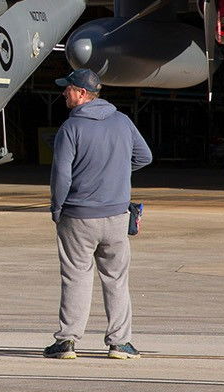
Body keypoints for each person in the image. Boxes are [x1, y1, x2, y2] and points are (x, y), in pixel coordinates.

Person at [44, 68, 152, 360]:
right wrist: (114, 174)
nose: (63, 93)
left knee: (76, 277)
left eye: (67, 89)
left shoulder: (71, 128)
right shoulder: (122, 121)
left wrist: (57, 208)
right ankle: (120, 343)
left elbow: (62, 175)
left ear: (81, 93)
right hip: (116, 216)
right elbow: (145, 156)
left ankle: (67, 341)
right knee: (116, 279)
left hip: (78, 216)